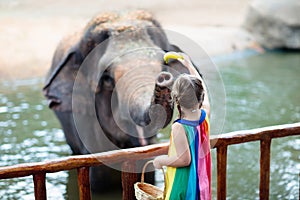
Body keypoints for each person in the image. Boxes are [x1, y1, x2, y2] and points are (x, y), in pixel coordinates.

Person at [153, 53, 211, 200]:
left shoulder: (179, 127)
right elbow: (202, 86)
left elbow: (185, 160)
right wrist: (189, 65)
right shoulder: (205, 115)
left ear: (176, 99)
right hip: (201, 178)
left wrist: (161, 160)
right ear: (201, 97)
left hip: (184, 183)